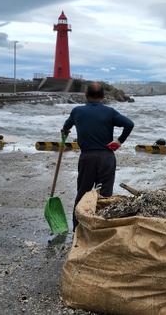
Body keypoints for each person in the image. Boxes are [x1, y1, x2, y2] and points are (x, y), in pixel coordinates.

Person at [62, 82, 134, 229]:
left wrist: (65, 131)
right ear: (103, 96)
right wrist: (119, 141)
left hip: (87, 158)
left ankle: (77, 228)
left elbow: (66, 127)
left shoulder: (77, 111)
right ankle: (101, 228)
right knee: (105, 196)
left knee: (83, 193)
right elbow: (129, 124)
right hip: (106, 158)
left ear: (86, 96)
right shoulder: (110, 112)